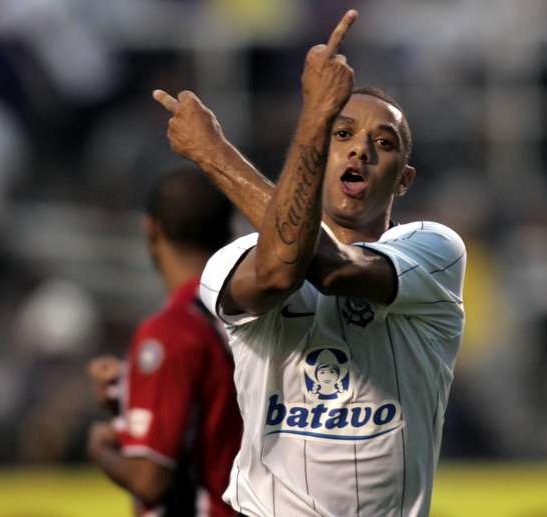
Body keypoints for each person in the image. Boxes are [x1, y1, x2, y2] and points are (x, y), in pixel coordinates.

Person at [154, 9, 466, 516]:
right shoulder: (232, 259)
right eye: (340, 135)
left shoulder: (433, 250)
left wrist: (215, 153)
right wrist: (314, 120)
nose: (360, 149)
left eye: (382, 143)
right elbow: (280, 269)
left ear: (404, 180)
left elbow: (333, 269)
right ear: (315, 156)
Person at [87, 167, 242, 517]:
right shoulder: (257, 316)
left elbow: (149, 478)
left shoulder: (172, 331)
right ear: (228, 232)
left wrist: (98, 447)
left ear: (151, 228)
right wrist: (126, 396)